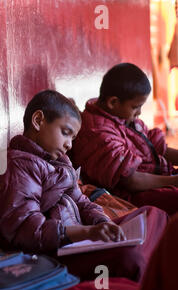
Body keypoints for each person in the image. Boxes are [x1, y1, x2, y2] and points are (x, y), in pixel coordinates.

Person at [0, 90, 167, 282]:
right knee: (130, 258)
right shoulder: (17, 164)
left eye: (72, 138)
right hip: (51, 254)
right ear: (38, 120)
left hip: (80, 237)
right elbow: (27, 230)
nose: (69, 145)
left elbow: (81, 201)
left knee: (154, 215)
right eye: (66, 133)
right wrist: (87, 233)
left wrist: (101, 222)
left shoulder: (59, 161)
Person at [71, 63, 178, 215]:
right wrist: (174, 181)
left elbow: (157, 146)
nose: (139, 112)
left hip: (156, 180)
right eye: (136, 107)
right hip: (128, 197)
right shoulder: (97, 132)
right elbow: (130, 180)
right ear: (113, 102)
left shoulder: (122, 117)